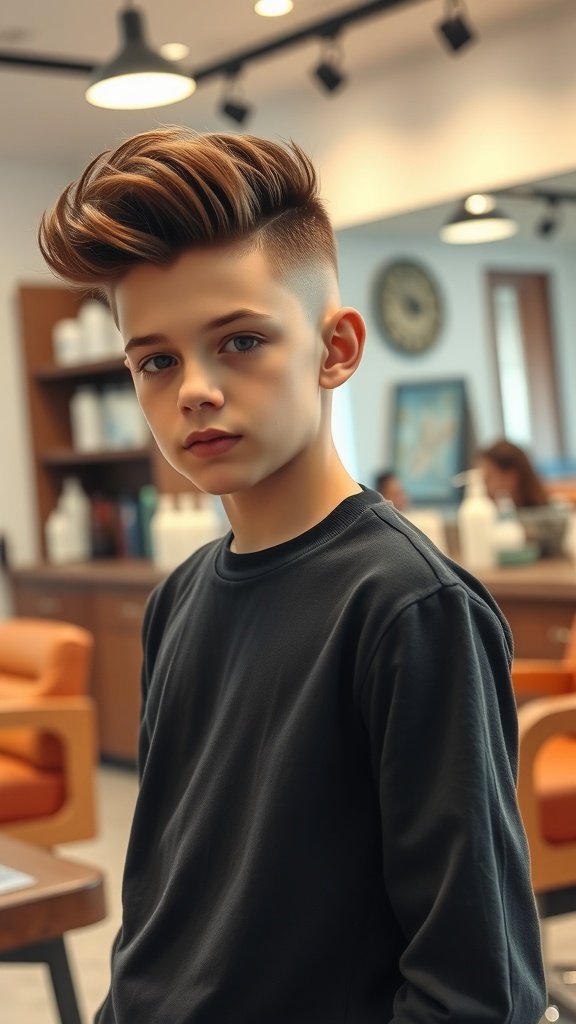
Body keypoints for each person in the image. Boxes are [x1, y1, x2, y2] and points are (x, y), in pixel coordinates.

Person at [39, 126, 546, 1024]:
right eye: (155, 360)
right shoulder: (180, 600)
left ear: (336, 349)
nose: (193, 388)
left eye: (238, 341)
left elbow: (476, 988)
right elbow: (163, 905)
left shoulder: (408, 607)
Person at [479, 438, 568, 556]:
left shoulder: (555, 515)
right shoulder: (489, 511)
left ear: (509, 477)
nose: (482, 485)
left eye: (488, 478)